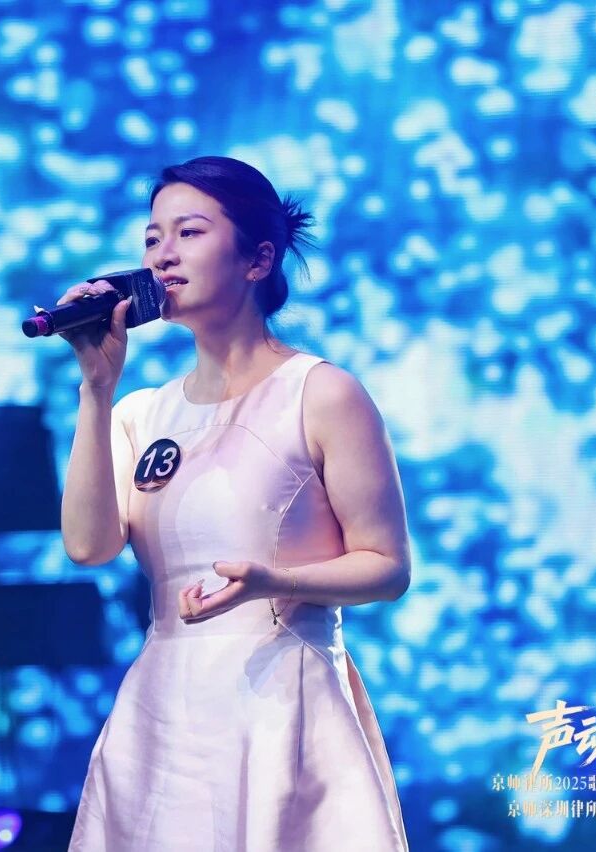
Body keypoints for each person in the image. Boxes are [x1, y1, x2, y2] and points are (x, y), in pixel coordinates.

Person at [59, 156, 411, 851]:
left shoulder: (321, 392)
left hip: (283, 698)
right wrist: (96, 391)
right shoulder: (139, 413)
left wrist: (273, 581)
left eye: (188, 233)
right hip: (163, 709)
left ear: (258, 259)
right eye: (152, 237)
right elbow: (88, 546)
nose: (163, 254)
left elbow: (387, 566)